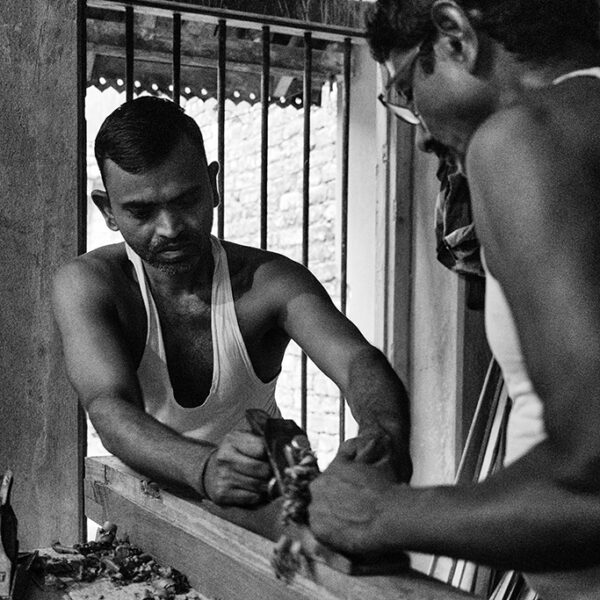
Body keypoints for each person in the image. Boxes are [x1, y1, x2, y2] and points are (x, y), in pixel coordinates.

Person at [309, 0, 600, 597]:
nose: (415, 135)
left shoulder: (523, 138)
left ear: (453, 34)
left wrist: (379, 514)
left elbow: (594, 468)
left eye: (404, 92)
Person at [51, 96, 412, 508]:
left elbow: (356, 362)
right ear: (108, 211)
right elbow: (108, 407)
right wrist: (204, 469)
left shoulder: (269, 283)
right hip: (151, 510)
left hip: (263, 507)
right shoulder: (91, 284)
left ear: (213, 185)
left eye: (185, 201)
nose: (169, 228)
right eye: (141, 211)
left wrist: (381, 435)